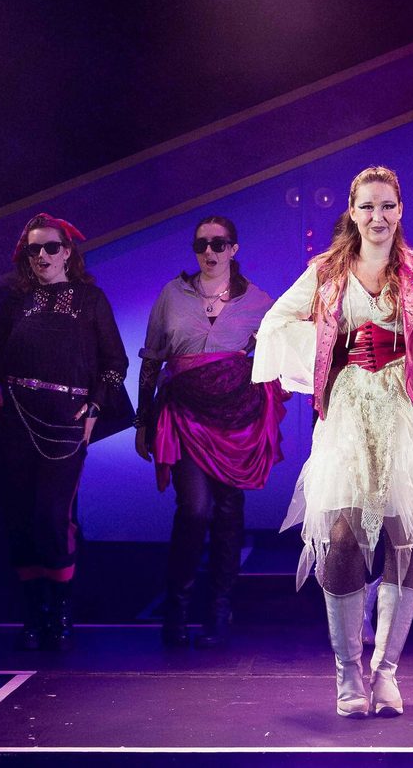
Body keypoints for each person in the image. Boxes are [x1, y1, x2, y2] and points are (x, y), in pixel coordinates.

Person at [253, 165, 413, 718]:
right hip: (350, 413)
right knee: (342, 536)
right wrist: (330, 348)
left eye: (387, 205)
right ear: (351, 210)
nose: (377, 217)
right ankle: (349, 673)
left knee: (403, 537)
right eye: (367, 206)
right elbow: (275, 323)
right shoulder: (327, 271)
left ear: (401, 210)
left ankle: (387, 674)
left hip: (410, 412)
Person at [0, 214, 132, 652]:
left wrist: (96, 405)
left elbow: (115, 361)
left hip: (64, 420)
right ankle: (34, 614)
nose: (43, 256)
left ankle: (62, 610)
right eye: (34, 249)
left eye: (51, 247)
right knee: (19, 518)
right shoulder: (14, 303)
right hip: (16, 418)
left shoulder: (89, 299)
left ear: (67, 251)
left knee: (52, 517)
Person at [135, 215, 283, 649]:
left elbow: (277, 354)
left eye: (219, 244)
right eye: (202, 244)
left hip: (234, 422)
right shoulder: (172, 294)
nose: (210, 252)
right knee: (195, 507)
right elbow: (150, 360)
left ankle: (219, 609)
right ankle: (177, 607)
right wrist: (142, 421)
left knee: (227, 511)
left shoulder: (258, 301)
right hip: (184, 416)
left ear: (234, 248)